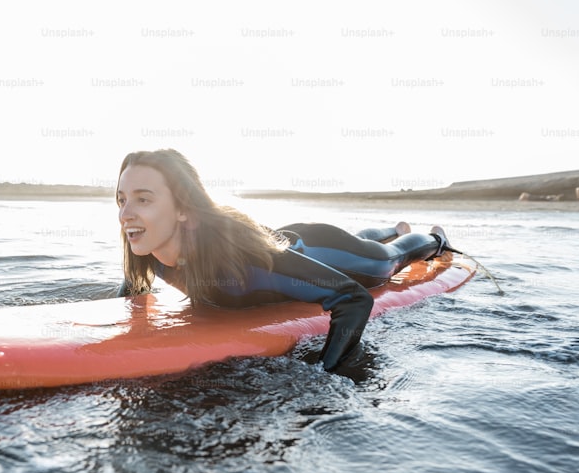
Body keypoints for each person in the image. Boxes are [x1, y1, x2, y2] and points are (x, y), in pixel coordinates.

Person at [115, 149, 456, 372]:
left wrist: (324, 373)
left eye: (143, 200)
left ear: (184, 211)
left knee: (387, 259)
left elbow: (354, 299)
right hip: (283, 238)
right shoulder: (148, 248)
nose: (125, 214)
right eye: (121, 199)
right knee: (365, 241)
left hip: (325, 251)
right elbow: (132, 289)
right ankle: (391, 227)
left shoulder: (246, 263)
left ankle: (434, 239)